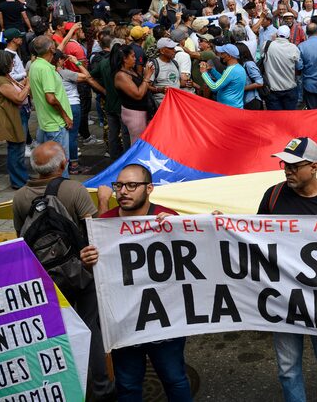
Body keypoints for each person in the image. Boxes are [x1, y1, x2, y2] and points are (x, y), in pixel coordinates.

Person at [80, 164, 191, 402]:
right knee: (128, 386)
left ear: (149, 188)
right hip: (124, 321)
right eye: (119, 186)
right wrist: (88, 262)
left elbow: (193, 259)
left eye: (132, 185)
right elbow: (98, 273)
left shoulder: (167, 217)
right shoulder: (105, 223)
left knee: (175, 379)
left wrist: (178, 231)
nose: (123, 191)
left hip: (166, 319)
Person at [13, 142, 114, 400]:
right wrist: (102, 199)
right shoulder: (74, 190)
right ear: (62, 165)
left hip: (45, 277)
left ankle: (67, 384)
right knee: (90, 326)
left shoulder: (20, 197)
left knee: (60, 329)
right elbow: (97, 233)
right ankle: (102, 386)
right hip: (81, 271)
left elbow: (20, 240)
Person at [257, 137, 317, 402]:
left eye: (295, 165)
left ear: (314, 167)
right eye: (285, 164)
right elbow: (254, 238)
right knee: (287, 369)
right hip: (284, 300)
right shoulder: (273, 196)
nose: (287, 170)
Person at [53, 52, 105, 175]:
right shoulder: (65, 73)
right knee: (72, 137)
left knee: (64, 135)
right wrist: (76, 62)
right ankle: (74, 165)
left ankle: (63, 164)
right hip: (72, 105)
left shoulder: (50, 73)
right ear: (60, 60)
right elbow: (87, 76)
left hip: (60, 106)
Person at [28, 36, 74, 176]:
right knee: (60, 166)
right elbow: (51, 98)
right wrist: (65, 116)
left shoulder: (35, 65)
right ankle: (61, 193)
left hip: (46, 123)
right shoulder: (45, 69)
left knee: (49, 165)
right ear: (51, 49)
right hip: (56, 124)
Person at [0, 50, 30, 187]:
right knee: (16, 148)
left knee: (19, 147)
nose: (13, 63)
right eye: (11, 61)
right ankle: (18, 181)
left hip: (19, 114)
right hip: (12, 117)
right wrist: (29, 84)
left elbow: (18, 88)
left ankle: (21, 178)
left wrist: (25, 81)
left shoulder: (6, 77)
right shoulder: (0, 80)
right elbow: (18, 98)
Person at [114, 45, 154, 143]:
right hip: (135, 114)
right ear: (124, 59)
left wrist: (160, 89)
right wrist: (147, 77)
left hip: (142, 112)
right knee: (138, 144)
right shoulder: (121, 75)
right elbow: (138, 94)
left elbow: (143, 87)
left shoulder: (132, 70)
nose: (135, 59)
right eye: (132, 56)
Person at [264, 24, 304, 110]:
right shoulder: (293, 48)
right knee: (289, 118)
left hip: (272, 89)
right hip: (290, 88)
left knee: (276, 119)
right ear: (289, 36)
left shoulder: (267, 45)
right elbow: (299, 67)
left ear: (277, 34)